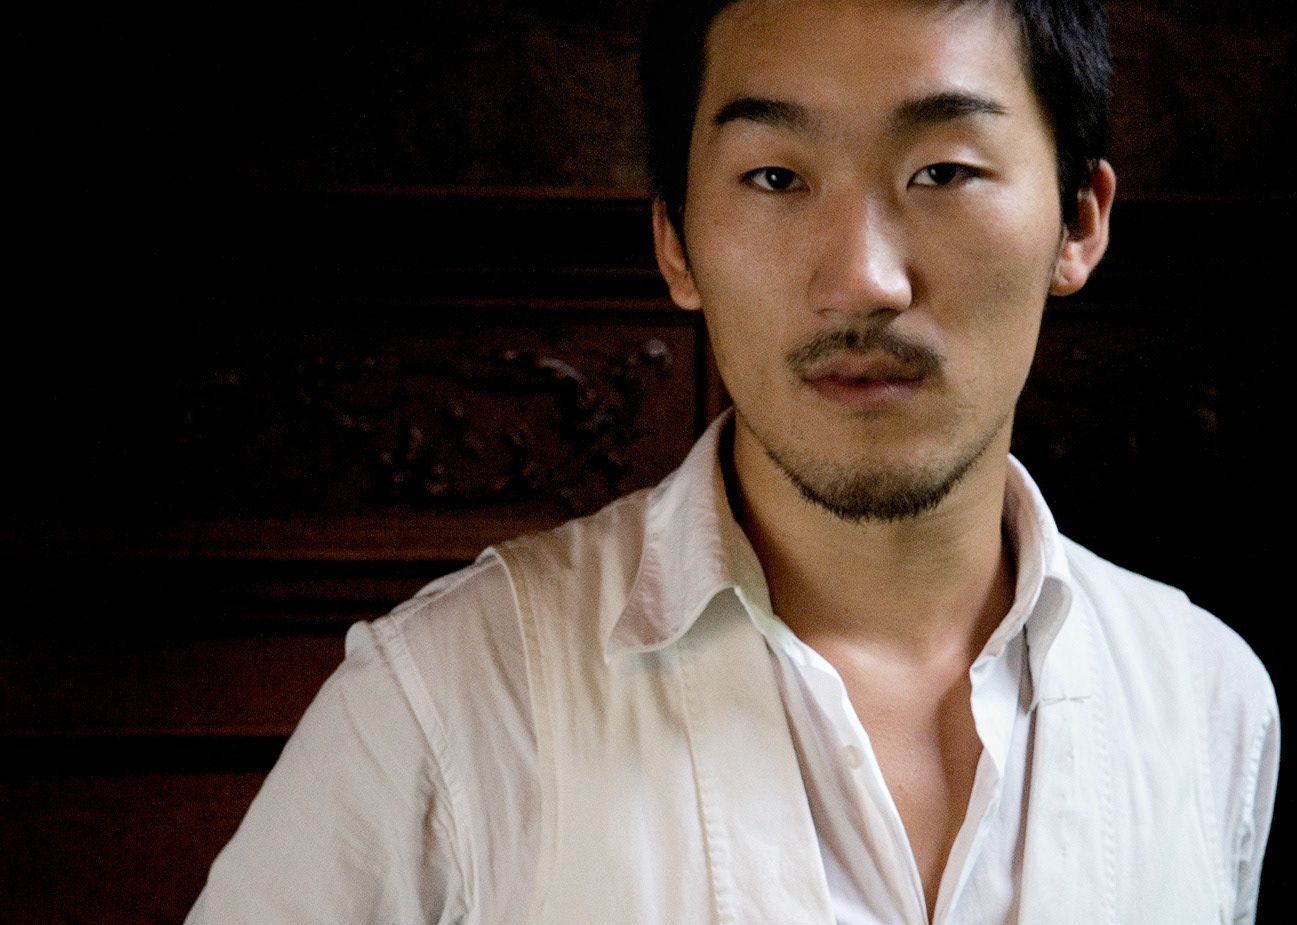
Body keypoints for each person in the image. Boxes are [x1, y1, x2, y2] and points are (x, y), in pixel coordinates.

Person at [186, 0, 1279, 922]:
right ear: (675, 238)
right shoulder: (443, 702)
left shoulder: (1207, 701)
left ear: (1078, 220)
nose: (861, 280)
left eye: (942, 171)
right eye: (774, 177)